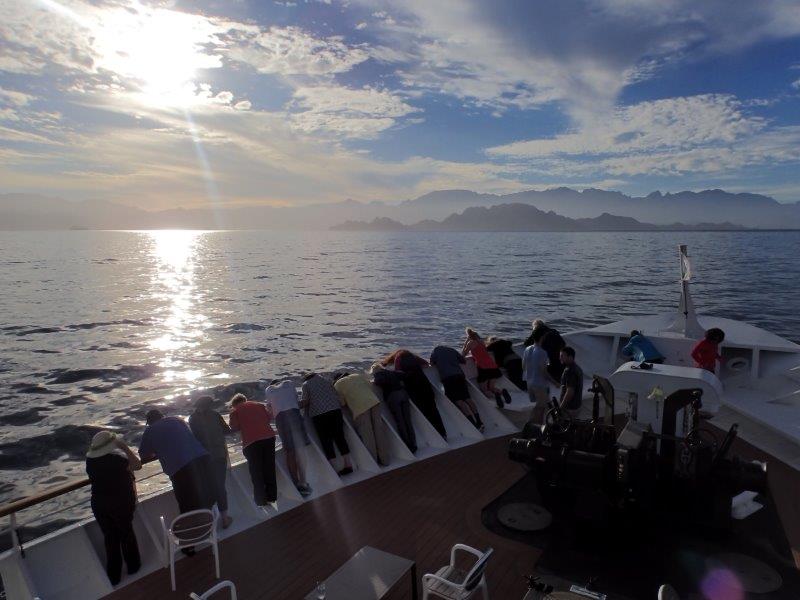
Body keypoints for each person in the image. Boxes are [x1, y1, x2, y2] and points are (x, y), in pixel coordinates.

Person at [85, 431, 141, 585]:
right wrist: (124, 447)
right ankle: (133, 567)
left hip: (99, 504)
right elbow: (137, 465)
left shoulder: (90, 462)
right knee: (126, 534)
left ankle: (114, 576)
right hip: (120, 502)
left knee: (110, 538)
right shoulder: (117, 459)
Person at [138, 410, 215, 516]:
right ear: (162, 416)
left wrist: (158, 450)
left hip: (180, 468)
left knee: (186, 502)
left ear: (149, 422)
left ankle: (198, 528)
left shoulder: (149, 430)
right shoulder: (176, 420)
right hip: (202, 458)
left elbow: (144, 455)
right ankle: (211, 521)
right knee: (206, 493)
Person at [188, 396, 233, 528]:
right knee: (219, 486)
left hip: (203, 458)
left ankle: (208, 520)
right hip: (218, 455)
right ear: (209, 405)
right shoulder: (215, 414)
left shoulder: (192, 419)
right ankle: (224, 518)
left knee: (208, 486)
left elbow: (194, 437)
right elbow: (227, 430)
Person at [383, 349, 447, 439]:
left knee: (423, 412)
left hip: (413, 388)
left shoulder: (398, 358)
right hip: (425, 384)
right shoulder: (413, 357)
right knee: (433, 410)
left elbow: (399, 372)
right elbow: (426, 364)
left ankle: (434, 436)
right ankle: (442, 433)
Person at [229, 393, 278, 510]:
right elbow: (269, 417)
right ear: (245, 399)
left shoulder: (235, 412)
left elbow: (234, 427)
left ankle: (261, 501)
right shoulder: (259, 405)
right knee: (269, 468)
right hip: (268, 438)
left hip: (251, 443)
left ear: (235, 404)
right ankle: (272, 498)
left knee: (256, 473)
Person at [265, 379, 312, 497]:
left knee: (289, 451)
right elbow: (296, 401)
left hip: (281, 419)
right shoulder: (289, 383)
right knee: (300, 449)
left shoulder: (269, 390)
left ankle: (296, 482)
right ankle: (303, 481)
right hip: (294, 414)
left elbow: (270, 410)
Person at [301, 372, 353, 476]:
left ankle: (334, 469)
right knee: (339, 437)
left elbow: (306, 401)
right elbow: (335, 393)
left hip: (320, 415)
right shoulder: (326, 379)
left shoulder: (306, 384)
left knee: (326, 441)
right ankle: (348, 465)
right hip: (335, 411)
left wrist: (295, 404)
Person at [334, 372, 391, 466]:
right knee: (379, 431)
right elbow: (370, 386)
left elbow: (342, 403)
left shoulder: (337, 384)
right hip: (374, 401)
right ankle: (385, 460)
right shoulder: (357, 375)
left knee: (367, 434)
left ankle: (373, 462)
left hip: (360, 408)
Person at [430, 345, 484, 432]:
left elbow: (431, 363)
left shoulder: (435, 351)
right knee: (467, 398)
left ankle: (473, 423)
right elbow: (463, 361)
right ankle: (479, 421)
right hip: (459, 376)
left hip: (448, 378)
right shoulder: (451, 349)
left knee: (459, 401)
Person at [370, 363, 417, 452]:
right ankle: (414, 443)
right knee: (408, 420)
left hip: (393, 396)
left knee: (400, 421)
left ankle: (408, 445)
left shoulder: (378, 373)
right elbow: (403, 375)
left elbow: (378, 381)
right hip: (403, 394)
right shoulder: (391, 372)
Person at [462, 328, 510, 408]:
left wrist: (466, 342)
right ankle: (501, 392)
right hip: (493, 367)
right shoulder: (482, 342)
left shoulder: (470, 343)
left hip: (483, 368)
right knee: (492, 387)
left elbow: (463, 354)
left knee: (484, 390)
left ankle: (496, 396)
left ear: (468, 336)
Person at [522, 329, 557, 423]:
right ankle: (536, 427)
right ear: (542, 337)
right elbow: (544, 372)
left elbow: (523, 366)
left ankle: (535, 425)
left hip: (529, 383)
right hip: (539, 384)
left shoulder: (527, 349)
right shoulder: (542, 352)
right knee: (541, 408)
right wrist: (555, 383)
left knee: (541, 405)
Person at [559, 346, 584, 418]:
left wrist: (561, 408)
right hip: (576, 406)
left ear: (570, 357)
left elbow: (570, 392)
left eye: (562, 356)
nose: (560, 358)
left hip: (569, 409)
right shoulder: (577, 368)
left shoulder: (570, 371)